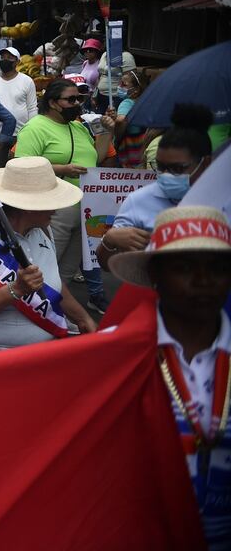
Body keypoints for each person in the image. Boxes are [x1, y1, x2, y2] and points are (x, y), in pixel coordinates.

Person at [108, 206, 231, 549]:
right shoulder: (110, 361)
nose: (203, 280)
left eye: (218, 268)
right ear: (156, 275)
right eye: (184, 267)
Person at [0, 157, 97, 355]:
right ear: (28, 206)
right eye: (51, 202)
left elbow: (52, 283)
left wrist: (82, 318)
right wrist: (16, 289)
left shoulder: (43, 230)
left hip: (41, 356)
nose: (56, 210)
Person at [15, 78, 113, 314]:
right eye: (71, 99)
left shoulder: (79, 127)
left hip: (85, 206)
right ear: (53, 103)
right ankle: (31, 312)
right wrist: (62, 169)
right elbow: (20, 165)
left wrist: (108, 132)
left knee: (67, 268)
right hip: (54, 208)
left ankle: (54, 311)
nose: (77, 103)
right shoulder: (35, 127)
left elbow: (96, 159)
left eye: (79, 98)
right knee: (48, 264)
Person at [98, 104, 213, 271]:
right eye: (160, 167)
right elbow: (107, 265)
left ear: (205, 163)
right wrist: (109, 241)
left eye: (178, 168)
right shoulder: (138, 200)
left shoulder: (223, 199)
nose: (166, 175)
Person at [0, 46, 38, 166]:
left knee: (19, 168)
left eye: (10, 58)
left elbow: (32, 107)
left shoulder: (27, 81)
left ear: (17, 62)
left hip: (20, 134)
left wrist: (31, 131)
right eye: (3, 57)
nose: (5, 60)